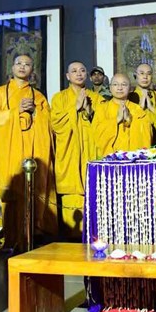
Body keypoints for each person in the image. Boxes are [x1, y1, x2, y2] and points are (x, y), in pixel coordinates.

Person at [0, 54, 56, 249]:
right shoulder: (0, 93)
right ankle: (10, 240)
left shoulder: (38, 96)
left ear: (32, 70)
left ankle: (32, 238)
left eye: (27, 64)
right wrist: (14, 112)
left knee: (32, 194)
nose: (23, 67)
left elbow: (48, 125)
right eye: (19, 63)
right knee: (12, 195)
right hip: (10, 152)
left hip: (33, 153)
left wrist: (35, 112)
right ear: (12, 67)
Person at [51, 61, 101, 238]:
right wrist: (75, 108)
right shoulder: (59, 98)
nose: (78, 74)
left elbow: (103, 124)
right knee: (72, 197)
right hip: (70, 153)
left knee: (92, 193)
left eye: (82, 70)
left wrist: (88, 110)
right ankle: (71, 240)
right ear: (67, 76)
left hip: (89, 151)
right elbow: (56, 123)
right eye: (74, 71)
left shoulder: (95, 98)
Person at [93, 73, 154, 157]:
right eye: (115, 84)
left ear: (130, 89)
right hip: (110, 161)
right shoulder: (102, 109)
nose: (119, 88)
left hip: (133, 161)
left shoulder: (137, 109)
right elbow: (96, 135)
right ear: (110, 88)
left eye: (124, 84)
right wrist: (117, 120)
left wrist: (130, 120)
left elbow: (147, 135)